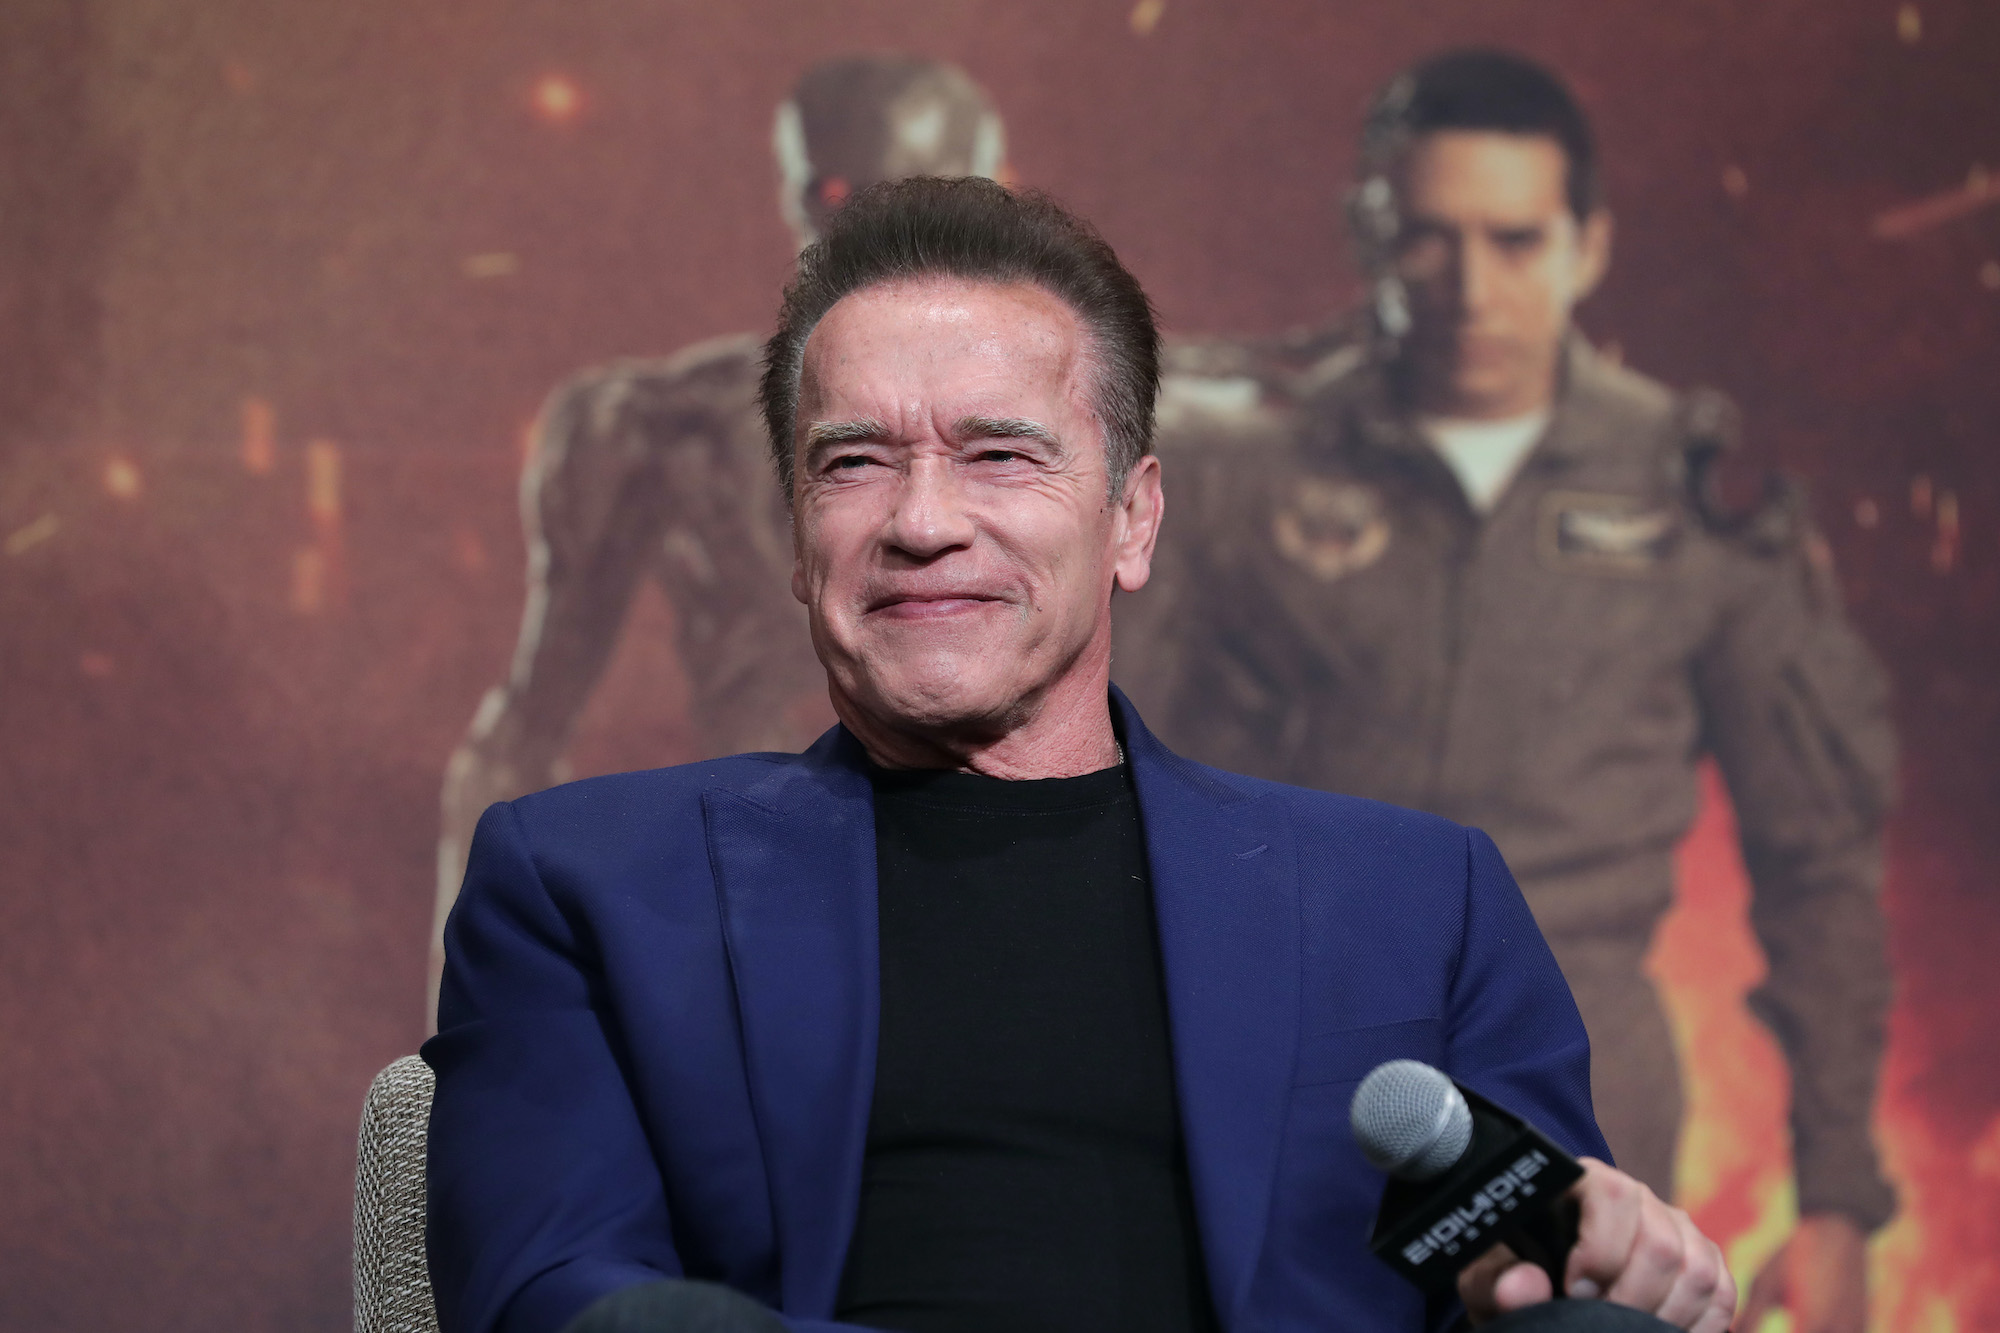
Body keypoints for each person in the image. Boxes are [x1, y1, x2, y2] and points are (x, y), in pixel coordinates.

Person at [424, 176, 1736, 1333]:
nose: (923, 521)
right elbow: (556, 1295)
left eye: (1000, 454)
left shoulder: (1416, 897)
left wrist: (1591, 1267)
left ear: (1132, 518)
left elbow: (1537, 1269)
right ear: (796, 536)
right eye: (855, 462)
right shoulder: (584, 884)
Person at [1116, 50, 1896, 1333]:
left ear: (1589, 246)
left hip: (1579, 1105)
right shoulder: (1237, 470)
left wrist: (1836, 1200)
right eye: (1427, 238)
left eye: (1514, 240)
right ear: (1364, 232)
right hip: (1269, 1087)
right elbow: (1099, 786)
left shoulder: (1693, 494)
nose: (1471, 289)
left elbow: (1815, 862)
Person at [431, 54, 1008, 1017]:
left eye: (924, 203)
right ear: (801, 195)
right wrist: (466, 1059)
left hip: (1010, 930)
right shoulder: (659, 428)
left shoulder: (1121, 437)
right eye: (841, 196)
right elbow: (517, 743)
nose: (880, 237)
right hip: (770, 938)